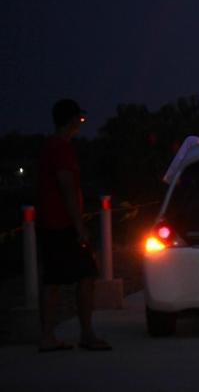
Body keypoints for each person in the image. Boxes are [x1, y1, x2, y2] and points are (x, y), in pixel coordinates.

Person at [37, 99, 111, 352]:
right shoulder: (61, 149)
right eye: (79, 119)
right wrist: (79, 226)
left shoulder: (50, 146)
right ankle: (86, 334)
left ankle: (47, 336)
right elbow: (67, 187)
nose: (81, 124)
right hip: (63, 225)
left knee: (52, 280)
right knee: (87, 274)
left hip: (49, 224)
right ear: (71, 121)